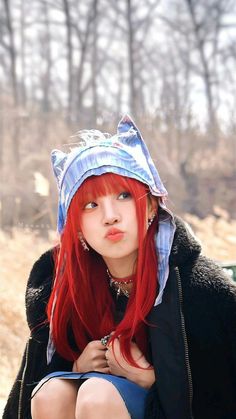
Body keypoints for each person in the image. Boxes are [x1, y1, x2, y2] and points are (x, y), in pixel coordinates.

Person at [3, 115, 236, 419]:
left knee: (97, 396)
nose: (110, 216)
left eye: (123, 196)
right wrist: (77, 367)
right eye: (91, 205)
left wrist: (152, 380)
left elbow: (221, 394)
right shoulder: (60, 286)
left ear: (152, 205)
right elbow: (32, 382)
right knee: (52, 391)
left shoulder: (198, 287)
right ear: (76, 225)